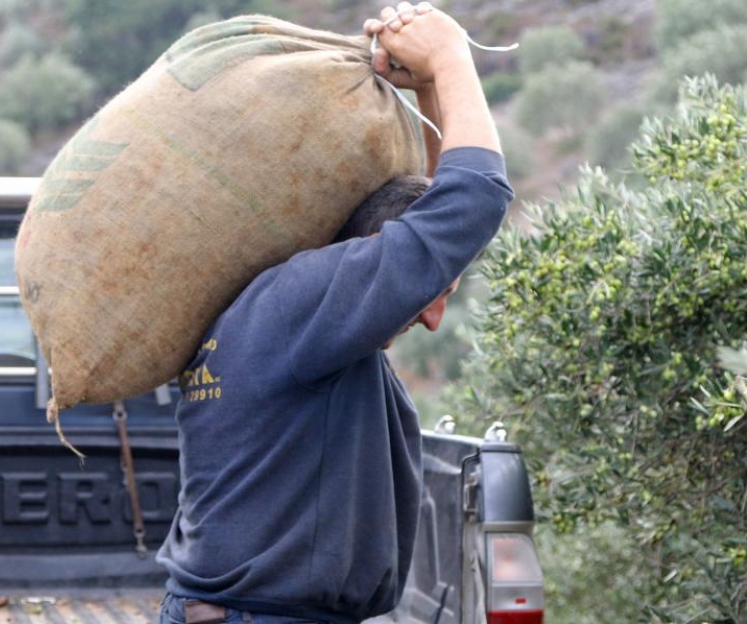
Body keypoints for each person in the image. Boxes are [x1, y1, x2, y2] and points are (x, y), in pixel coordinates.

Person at [156, 2, 514, 622]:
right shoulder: (304, 305)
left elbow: (430, 217)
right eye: (436, 294)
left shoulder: (284, 312)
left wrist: (427, 84)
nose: (431, 319)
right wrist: (452, 54)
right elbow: (473, 198)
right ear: (375, 258)